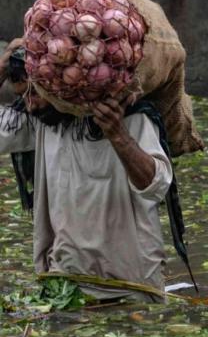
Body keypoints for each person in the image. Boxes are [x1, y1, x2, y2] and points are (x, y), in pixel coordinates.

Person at [0, 39, 175, 302]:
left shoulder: (129, 119)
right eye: (23, 95)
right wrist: (2, 69)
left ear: (60, 87)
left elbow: (158, 185)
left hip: (131, 288)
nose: (30, 105)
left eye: (35, 93)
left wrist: (117, 135)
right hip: (65, 286)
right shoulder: (42, 123)